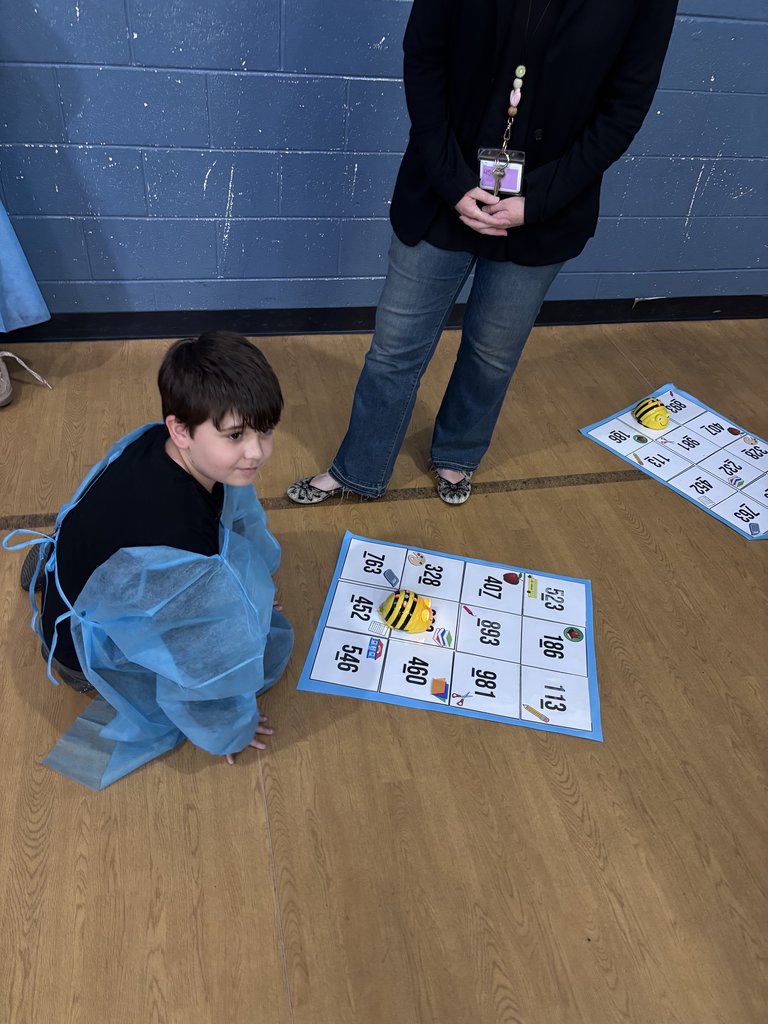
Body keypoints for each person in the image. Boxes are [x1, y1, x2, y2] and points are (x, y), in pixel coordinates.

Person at [288, 0, 679, 506]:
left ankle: (457, 453)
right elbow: (422, 60)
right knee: (394, 347)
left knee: (493, 352)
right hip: (440, 187)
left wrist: (536, 202)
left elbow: (624, 107)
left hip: (545, 209)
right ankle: (358, 468)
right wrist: (452, 181)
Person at [5, 332, 293, 789]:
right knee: (233, 651)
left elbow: (237, 522)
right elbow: (201, 662)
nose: (256, 451)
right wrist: (230, 728)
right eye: (235, 435)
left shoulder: (155, 441)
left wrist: (245, 594)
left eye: (265, 430)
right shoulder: (181, 541)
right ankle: (60, 650)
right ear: (182, 429)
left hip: (76, 564)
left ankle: (47, 573)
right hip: (80, 652)